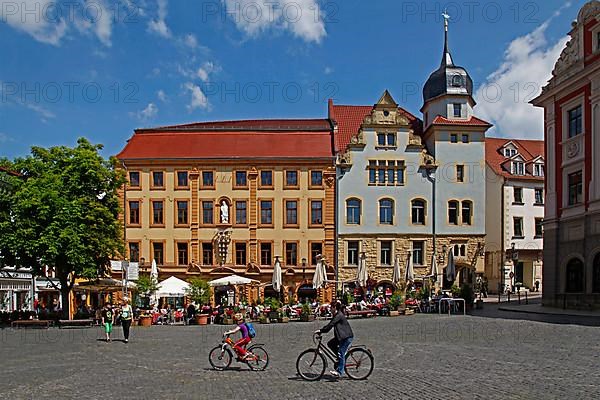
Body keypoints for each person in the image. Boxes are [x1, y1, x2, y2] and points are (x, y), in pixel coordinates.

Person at [316, 301, 354, 378]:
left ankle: (339, 372)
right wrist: (322, 330)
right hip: (341, 337)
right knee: (330, 344)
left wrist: (321, 330)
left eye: (331, 307)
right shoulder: (336, 314)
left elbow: (331, 324)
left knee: (341, 352)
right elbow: (331, 324)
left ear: (334, 308)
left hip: (346, 337)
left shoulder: (338, 315)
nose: (330, 309)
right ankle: (339, 359)